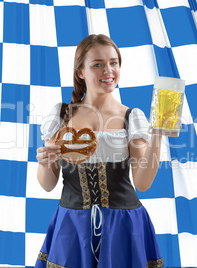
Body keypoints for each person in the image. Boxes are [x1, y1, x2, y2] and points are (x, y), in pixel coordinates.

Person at [35, 34, 165, 268]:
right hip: (72, 225)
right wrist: (45, 162)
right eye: (98, 64)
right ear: (81, 72)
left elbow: (143, 183)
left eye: (113, 63)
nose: (108, 71)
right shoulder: (61, 115)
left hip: (123, 224)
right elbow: (47, 184)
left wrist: (158, 133)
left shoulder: (131, 117)